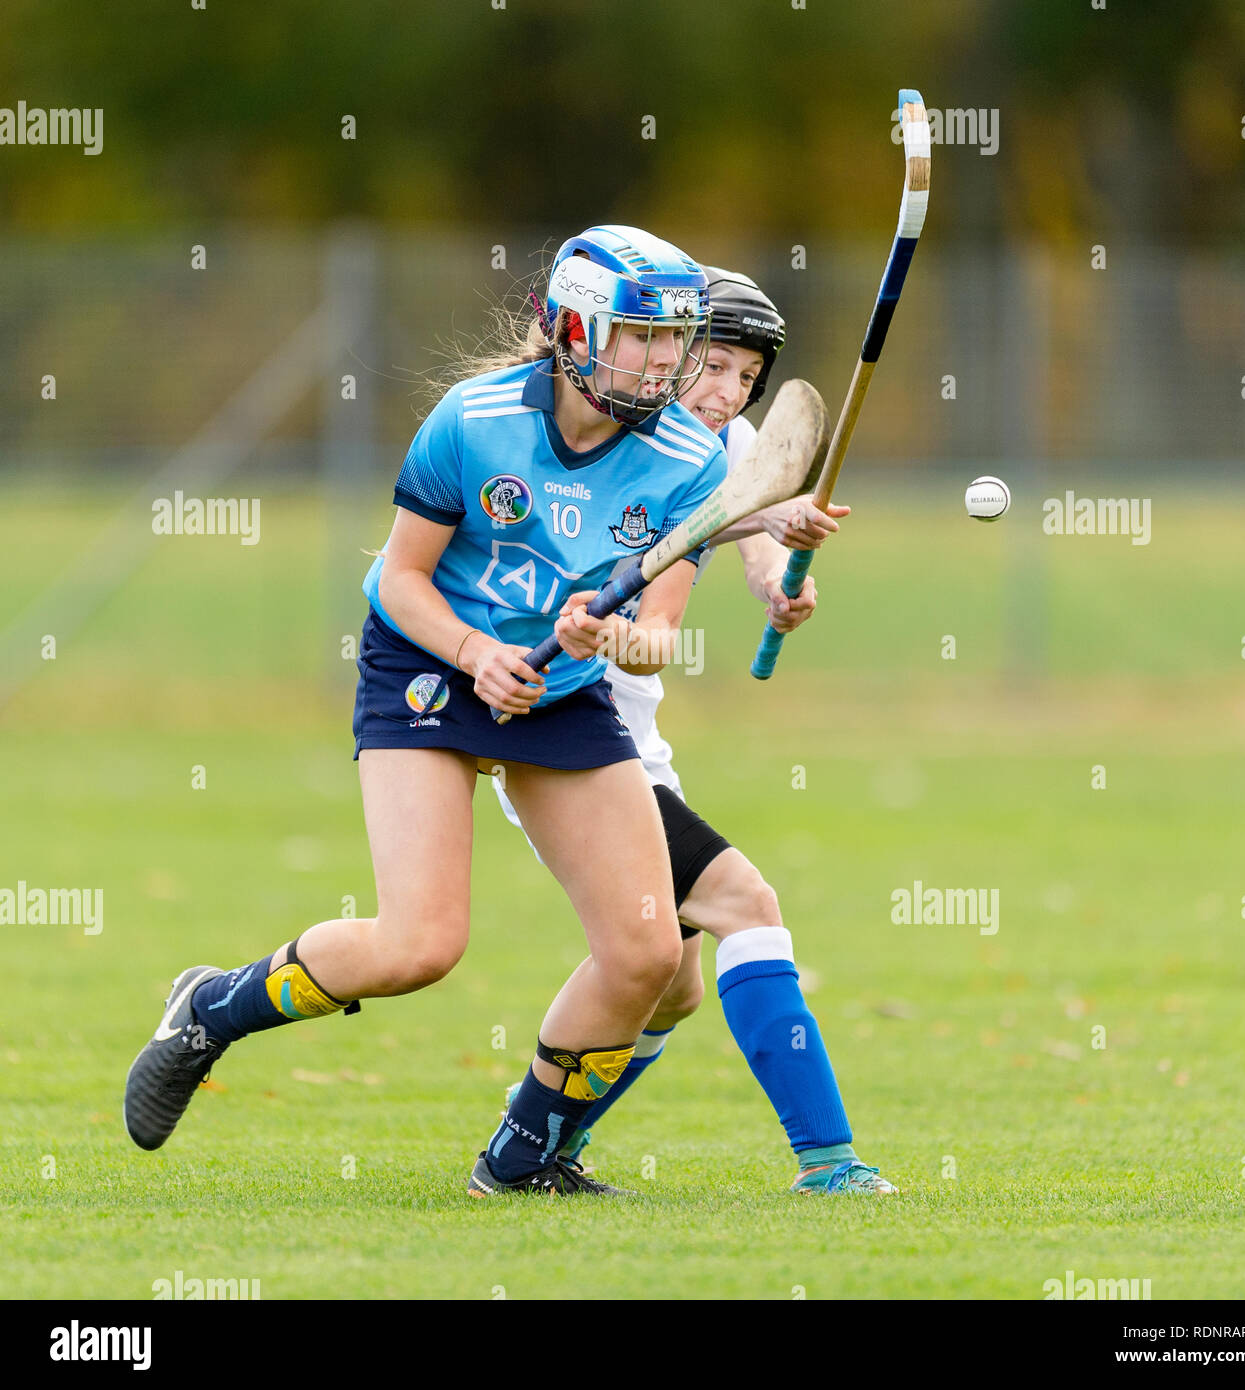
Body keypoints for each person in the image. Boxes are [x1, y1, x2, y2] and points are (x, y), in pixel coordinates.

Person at [123, 224, 732, 1197]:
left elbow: (658, 625)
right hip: (427, 664)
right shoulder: (474, 420)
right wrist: (478, 654)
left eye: (675, 340)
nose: (664, 363)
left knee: (651, 953)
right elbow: (397, 578)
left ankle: (521, 1161)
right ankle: (209, 1007)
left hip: (560, 694)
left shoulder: (688, 461)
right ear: (573, 329)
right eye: (639, 336)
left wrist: (610, 636)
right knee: (420, 947)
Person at [494, 269, 898, 1195]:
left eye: (745, 375)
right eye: (710, 366)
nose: (725, 392)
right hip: (568, 737)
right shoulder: (649, 456)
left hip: (631, 745)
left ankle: (526, 1155)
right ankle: (830, 1165)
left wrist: (777, 588)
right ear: (660, 358)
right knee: (746, 905)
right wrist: (626, 636)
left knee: (668, 982)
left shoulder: (729, 444)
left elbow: (753, 543)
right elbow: (657, 635)